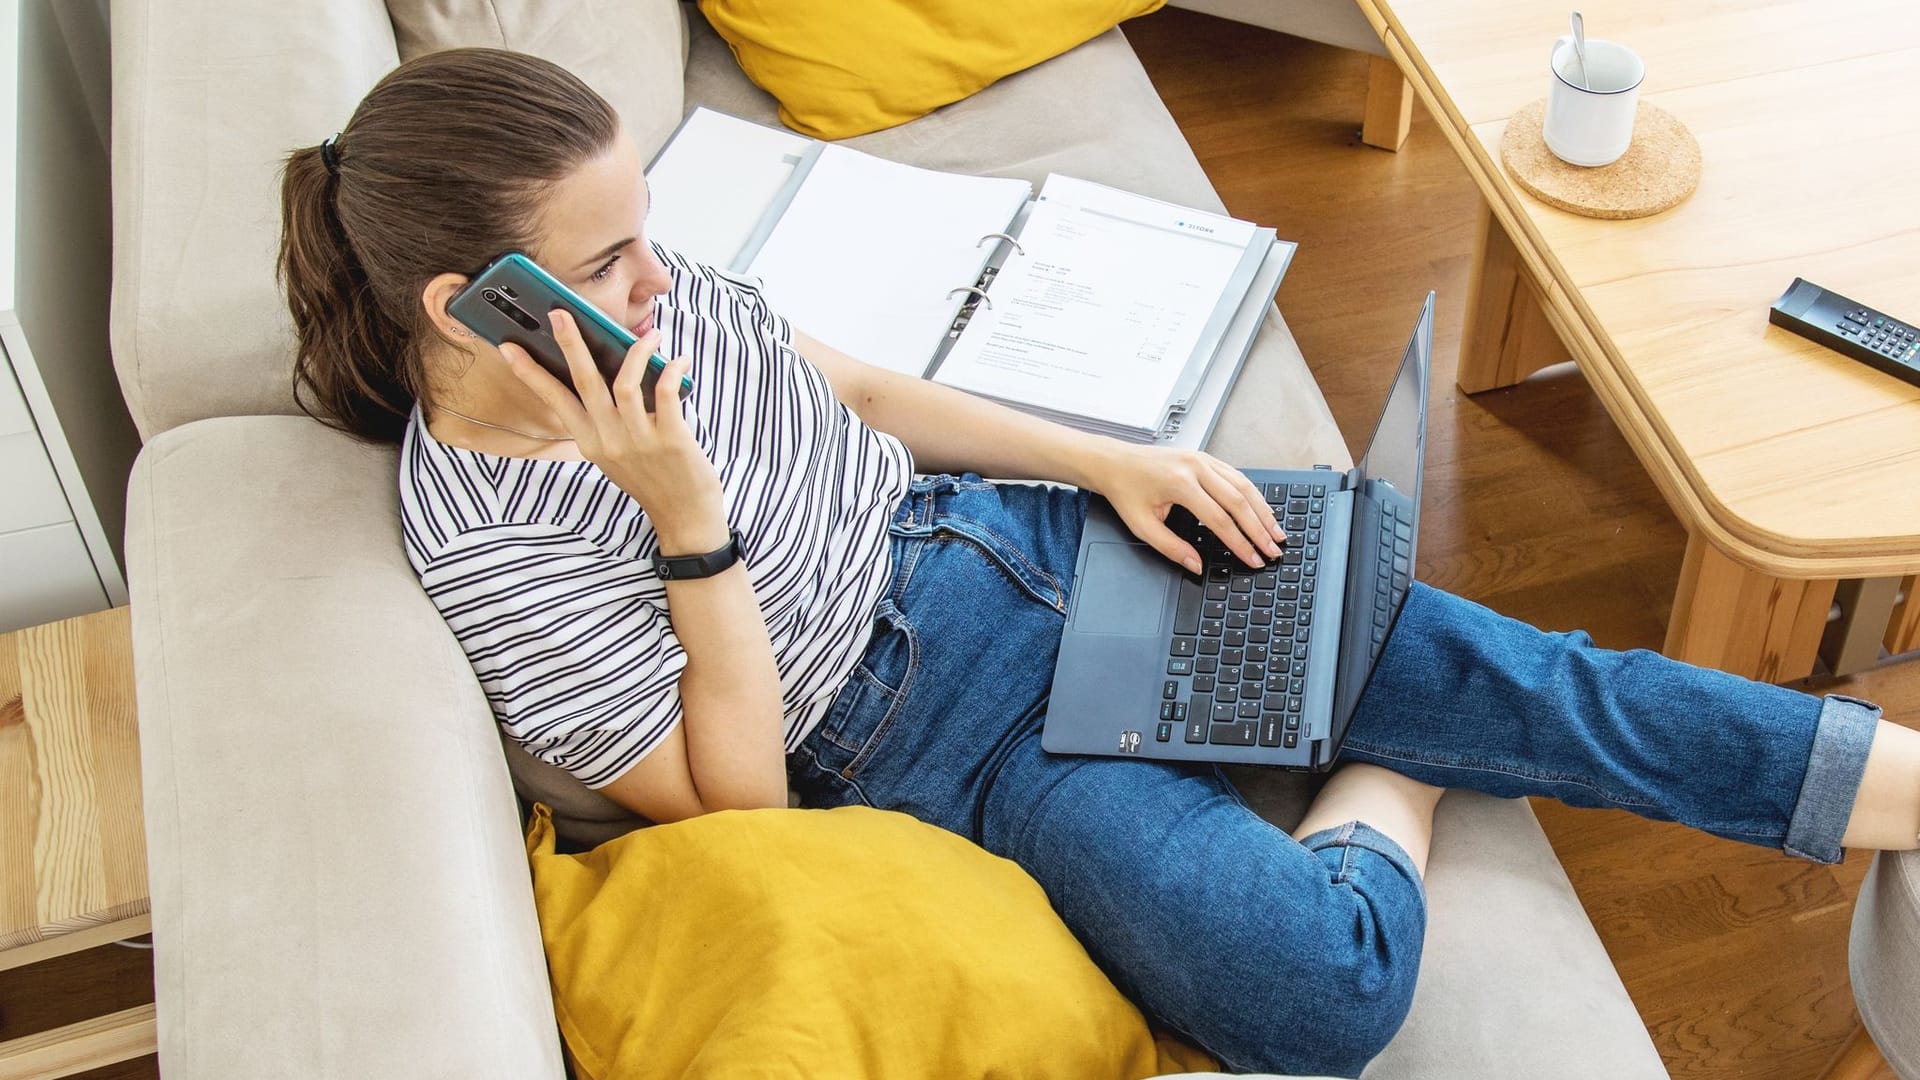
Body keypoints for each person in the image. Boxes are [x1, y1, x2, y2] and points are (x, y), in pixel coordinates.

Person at [277, 48, 1920, 1078]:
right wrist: (683, 513)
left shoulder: (642, 294)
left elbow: (851, 388)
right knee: (1319, 998)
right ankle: (1398, 775)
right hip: (939, 747)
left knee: (1553, 685)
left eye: (645, 233)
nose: (657, 272)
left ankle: (1903, 787)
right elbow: (753, 809)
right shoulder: (487, 544)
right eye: (608, 258)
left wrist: (1110, 459)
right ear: (472, 306)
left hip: (1018, 541)